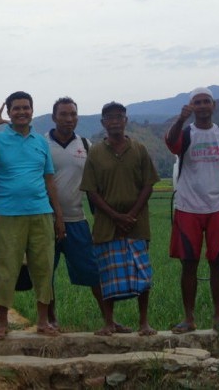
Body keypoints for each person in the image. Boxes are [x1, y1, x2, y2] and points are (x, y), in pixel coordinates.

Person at [0, 91, 65, 339]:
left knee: (43, 268)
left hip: (41, 213)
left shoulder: (40, 141)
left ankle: (43, 322)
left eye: (26, 108)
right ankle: (2, 323)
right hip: (8, 214)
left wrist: (59, 216)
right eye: (16, 109)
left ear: (32, 110)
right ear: (9, 113)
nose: (22, 112)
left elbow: (49, 181)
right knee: (6, 268)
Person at [46, 97, 129, 334]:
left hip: (77, 220)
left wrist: (103, 219)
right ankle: (51, 320)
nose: (68, 118)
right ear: (54, 117)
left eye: (72, 114)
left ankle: (109, 321)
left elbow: (96, 187)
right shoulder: (42, 145)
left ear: (77, 118)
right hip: (46, 221)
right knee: (46, 274)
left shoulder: (86, 145)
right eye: (63, 114)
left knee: (95, 273)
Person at [165, 87, 219, 335]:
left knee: (218, 263)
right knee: (189, 264)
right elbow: (170, 143)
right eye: (197, 102)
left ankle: (218, 317)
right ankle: (189, 319)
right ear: (191, 107)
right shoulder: (186, 134)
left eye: (205, 101)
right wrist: (179, 119)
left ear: (213, 105)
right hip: (188, 207)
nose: (201, 106)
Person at [80, 102, 159, 336]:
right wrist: (116, 216)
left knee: (142, 274)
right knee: (107, 274)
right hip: (107, 224)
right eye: (110, 118)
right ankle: (109, 322)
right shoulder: (94, 152)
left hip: (137, 223)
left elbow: (148, 185)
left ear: (126, 120)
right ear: (103, 123)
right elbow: (91, 192)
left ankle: (143, 322)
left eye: (119, 117)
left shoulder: (139, 149)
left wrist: (131, 214)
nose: (115, 121)